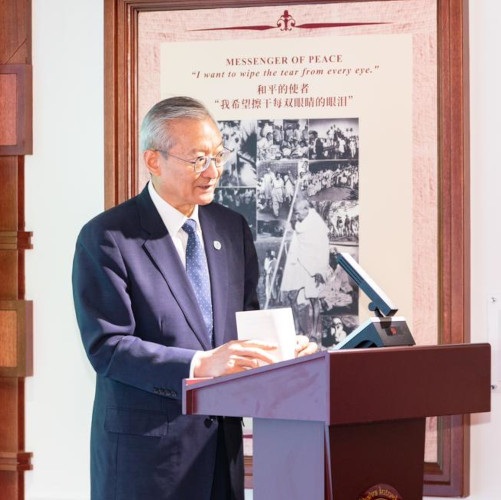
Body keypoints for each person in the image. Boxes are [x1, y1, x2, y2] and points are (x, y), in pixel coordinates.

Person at [73, 96, 318, 500]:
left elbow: (245, 323)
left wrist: (283, 349)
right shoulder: (108, 238)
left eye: (218, 156)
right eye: (198, 159)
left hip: (222, 454)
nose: (213, 171)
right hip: (146, 459)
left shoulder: (231, 228)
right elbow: (108, 347)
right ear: (154, 161)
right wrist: (200, 364)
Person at [279, 199, 332, 342]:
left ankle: (314, 333)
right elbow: (296, 240)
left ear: (306, 209)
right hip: (299, 264)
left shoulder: (318, 225)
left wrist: (320, 270)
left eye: (297, 213)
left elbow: (323, 249)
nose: (296, 217)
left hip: (313, 268)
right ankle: (297, 328)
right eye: (295, 214)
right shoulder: (299, 224)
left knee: (314, 300)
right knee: (292, 297)